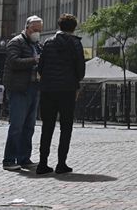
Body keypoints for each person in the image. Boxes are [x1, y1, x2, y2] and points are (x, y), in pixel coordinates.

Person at [37, 13, 85, 174]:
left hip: (48, 90)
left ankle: (42, 164)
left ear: (59, 26)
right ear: (74, 27)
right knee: (66, 127)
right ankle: (61, 164)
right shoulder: (76, 44)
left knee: (47, 127)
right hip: (67, 90)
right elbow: (81, 69)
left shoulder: (48, 42)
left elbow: (40, 67)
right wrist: (76, 81)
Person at [2, 16, 44, 171]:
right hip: (19, 89)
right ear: (27, 27)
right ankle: (9, 159)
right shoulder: (16, 42)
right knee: (17, 126)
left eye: (39, 30)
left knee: (29, 126)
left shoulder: (37, 45)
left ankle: (24, 158)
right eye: (35, 29)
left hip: (34, 88)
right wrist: (34, 60)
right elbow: (13, 61)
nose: (37, 33)